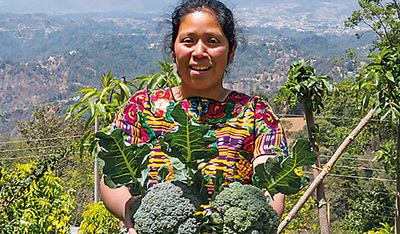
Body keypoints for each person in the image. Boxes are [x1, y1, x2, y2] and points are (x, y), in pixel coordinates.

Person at [100, 0, 288, 233]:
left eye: (213, 41)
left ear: (231, 51)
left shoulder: (256, 114)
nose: (199, 52)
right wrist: (129, 208)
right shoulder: (141, 108)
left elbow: (271, 180)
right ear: (173, 49)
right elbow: (112, 175)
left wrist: (253, 220)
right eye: (188, 41)